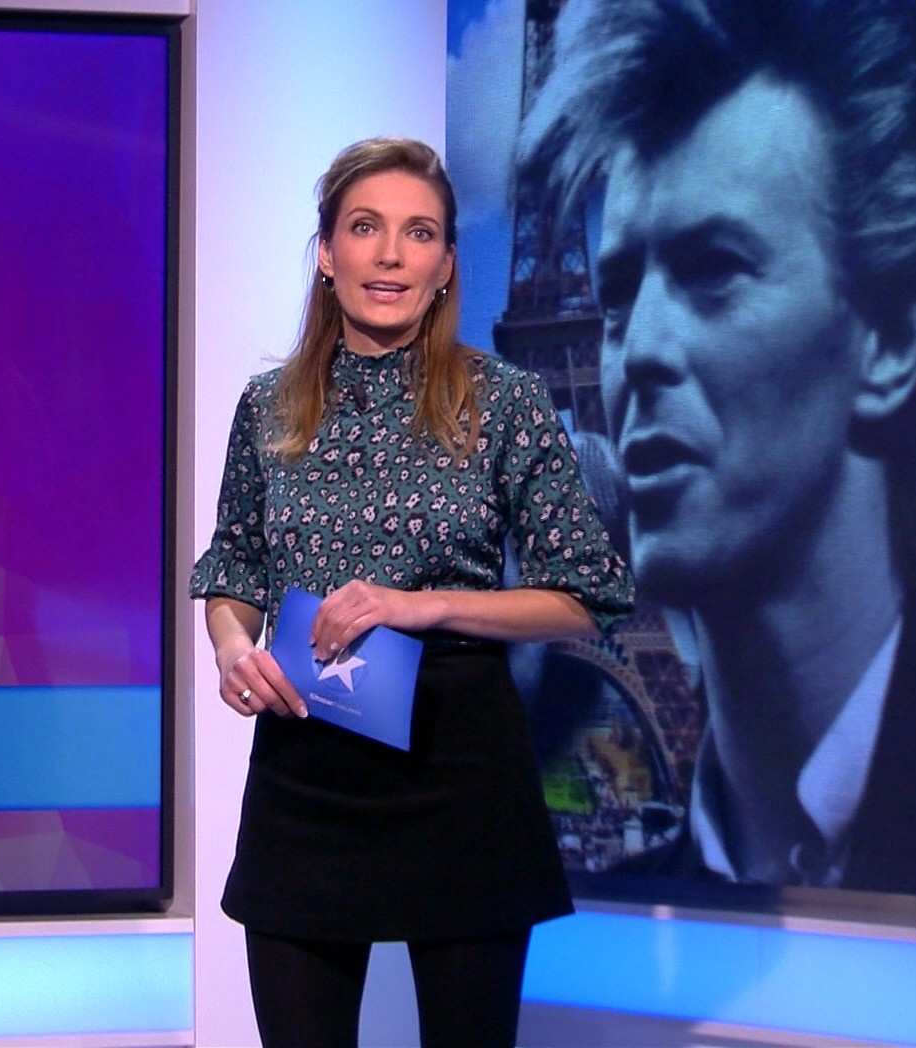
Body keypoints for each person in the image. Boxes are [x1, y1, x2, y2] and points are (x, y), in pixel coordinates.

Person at [516, 0, 916, 899]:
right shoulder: (635, 909)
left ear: (892, 339)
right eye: (616, 297)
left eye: (715, 269)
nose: (640, 350)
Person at [193, 137, 633, 1047]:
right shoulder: (268, 405)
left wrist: (422, 604)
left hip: (458, 767)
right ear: (327, 253)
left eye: (419, 233)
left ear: (445, 266)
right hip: (306, 768)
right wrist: (234, 647)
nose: (391, 255)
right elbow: (233, 567)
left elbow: (586, 591)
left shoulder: (504, 401)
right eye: (366, 228)